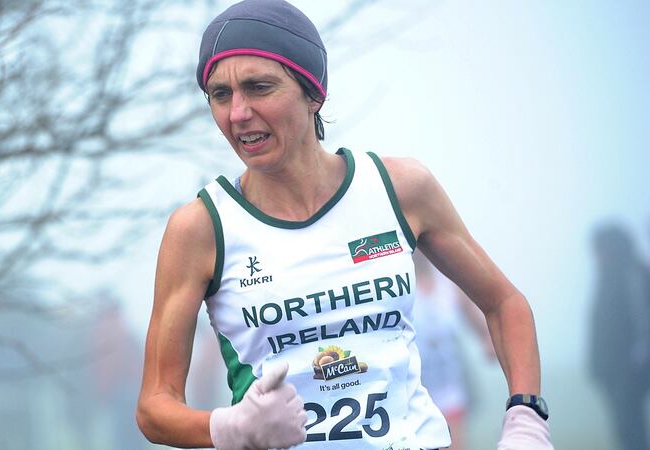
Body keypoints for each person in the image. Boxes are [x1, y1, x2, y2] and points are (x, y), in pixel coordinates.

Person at [136, 1, 553, 448]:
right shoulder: (200, 228)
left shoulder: (401, 189)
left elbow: (505, 304)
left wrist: (526, 419)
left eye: (259, 88)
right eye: (221, 94)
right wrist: (228, 428)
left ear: (314, 92)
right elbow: (154, 407)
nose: (237, 113)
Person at [412, 249, 495, 450]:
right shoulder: (398, 285)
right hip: (414, 389)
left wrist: (489, 341)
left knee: (453, 444)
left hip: (450, 383)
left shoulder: (447, 282)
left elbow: (476, 319)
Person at [588, 223, 650, 450]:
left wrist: (638, 359)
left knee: (632, 429)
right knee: (624, 429)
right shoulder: (607, 275)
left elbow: (642, 319)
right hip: (612, 370)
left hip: (630, 369)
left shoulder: (632, 273)